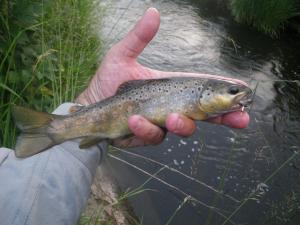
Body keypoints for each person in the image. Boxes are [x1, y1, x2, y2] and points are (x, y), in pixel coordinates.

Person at [0, 8, 249, 225]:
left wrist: (87, 104)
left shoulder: (199, 100)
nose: (237, 95)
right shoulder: (197, 98)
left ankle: (61, 128)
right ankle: (56, 129)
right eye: (232, 92)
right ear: (205, 95)